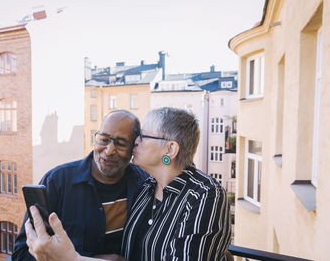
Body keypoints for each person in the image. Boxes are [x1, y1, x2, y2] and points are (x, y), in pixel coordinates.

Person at [25, 107, 231, 261]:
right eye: (104, 139)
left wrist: (74, 259)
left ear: (170, 149)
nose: (136, 143)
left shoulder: (205, 194)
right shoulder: (147, 186)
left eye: (142, 136)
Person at [13, 110, 148, 260]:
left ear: (134, 148)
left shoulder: (144, 184)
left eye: (121, 143)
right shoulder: (57, 181)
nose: (109, 151)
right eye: (104, 139)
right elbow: (22, 254)